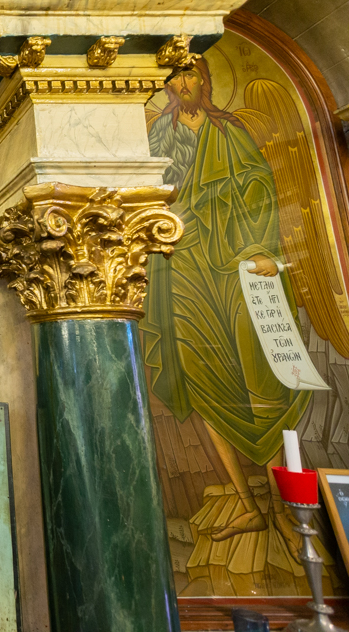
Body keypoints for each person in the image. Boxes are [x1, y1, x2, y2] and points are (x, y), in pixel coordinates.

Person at [144, 58, 311, 545]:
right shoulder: (159, 134)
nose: (183, 84)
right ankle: (248, 502)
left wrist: (255, 246)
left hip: (239, 267)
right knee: (202, 376)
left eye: (191, 74)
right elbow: (148, 192)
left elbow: (261, 190)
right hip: (184, 267)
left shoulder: (230, 131)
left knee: (262, 374)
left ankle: (285, 503)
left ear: (206, 80)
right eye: (174, 77)